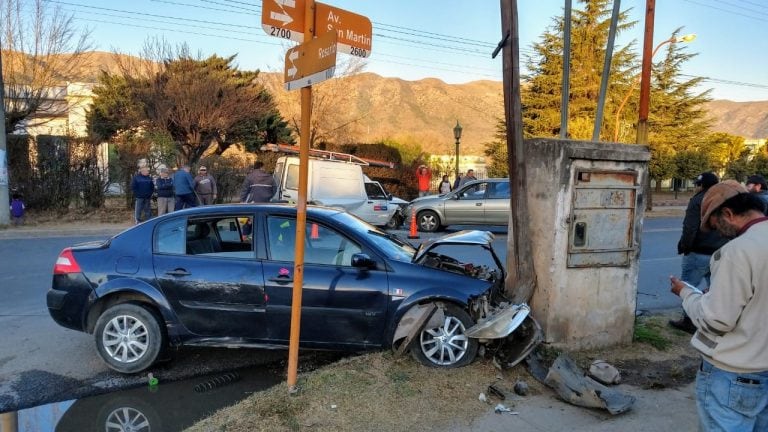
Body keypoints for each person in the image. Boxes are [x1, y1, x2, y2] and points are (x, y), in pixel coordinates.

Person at [669, 180, 768, 431]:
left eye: (714, 224)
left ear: (727, 214)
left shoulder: (737, 251)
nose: (716, 232)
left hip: (734, 373)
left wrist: (686, 294)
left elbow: (717, 320)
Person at [669, 172, 728, 334]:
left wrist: (685, 246)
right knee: (716, 288)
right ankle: (715, 319)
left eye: (697, 184)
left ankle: (689, 321)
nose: (695, 187)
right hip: (720, 252)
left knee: (688, 287)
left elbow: (690, 227)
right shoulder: (726, 199)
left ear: (702, 185)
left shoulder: (698, 200)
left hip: (699, 252)